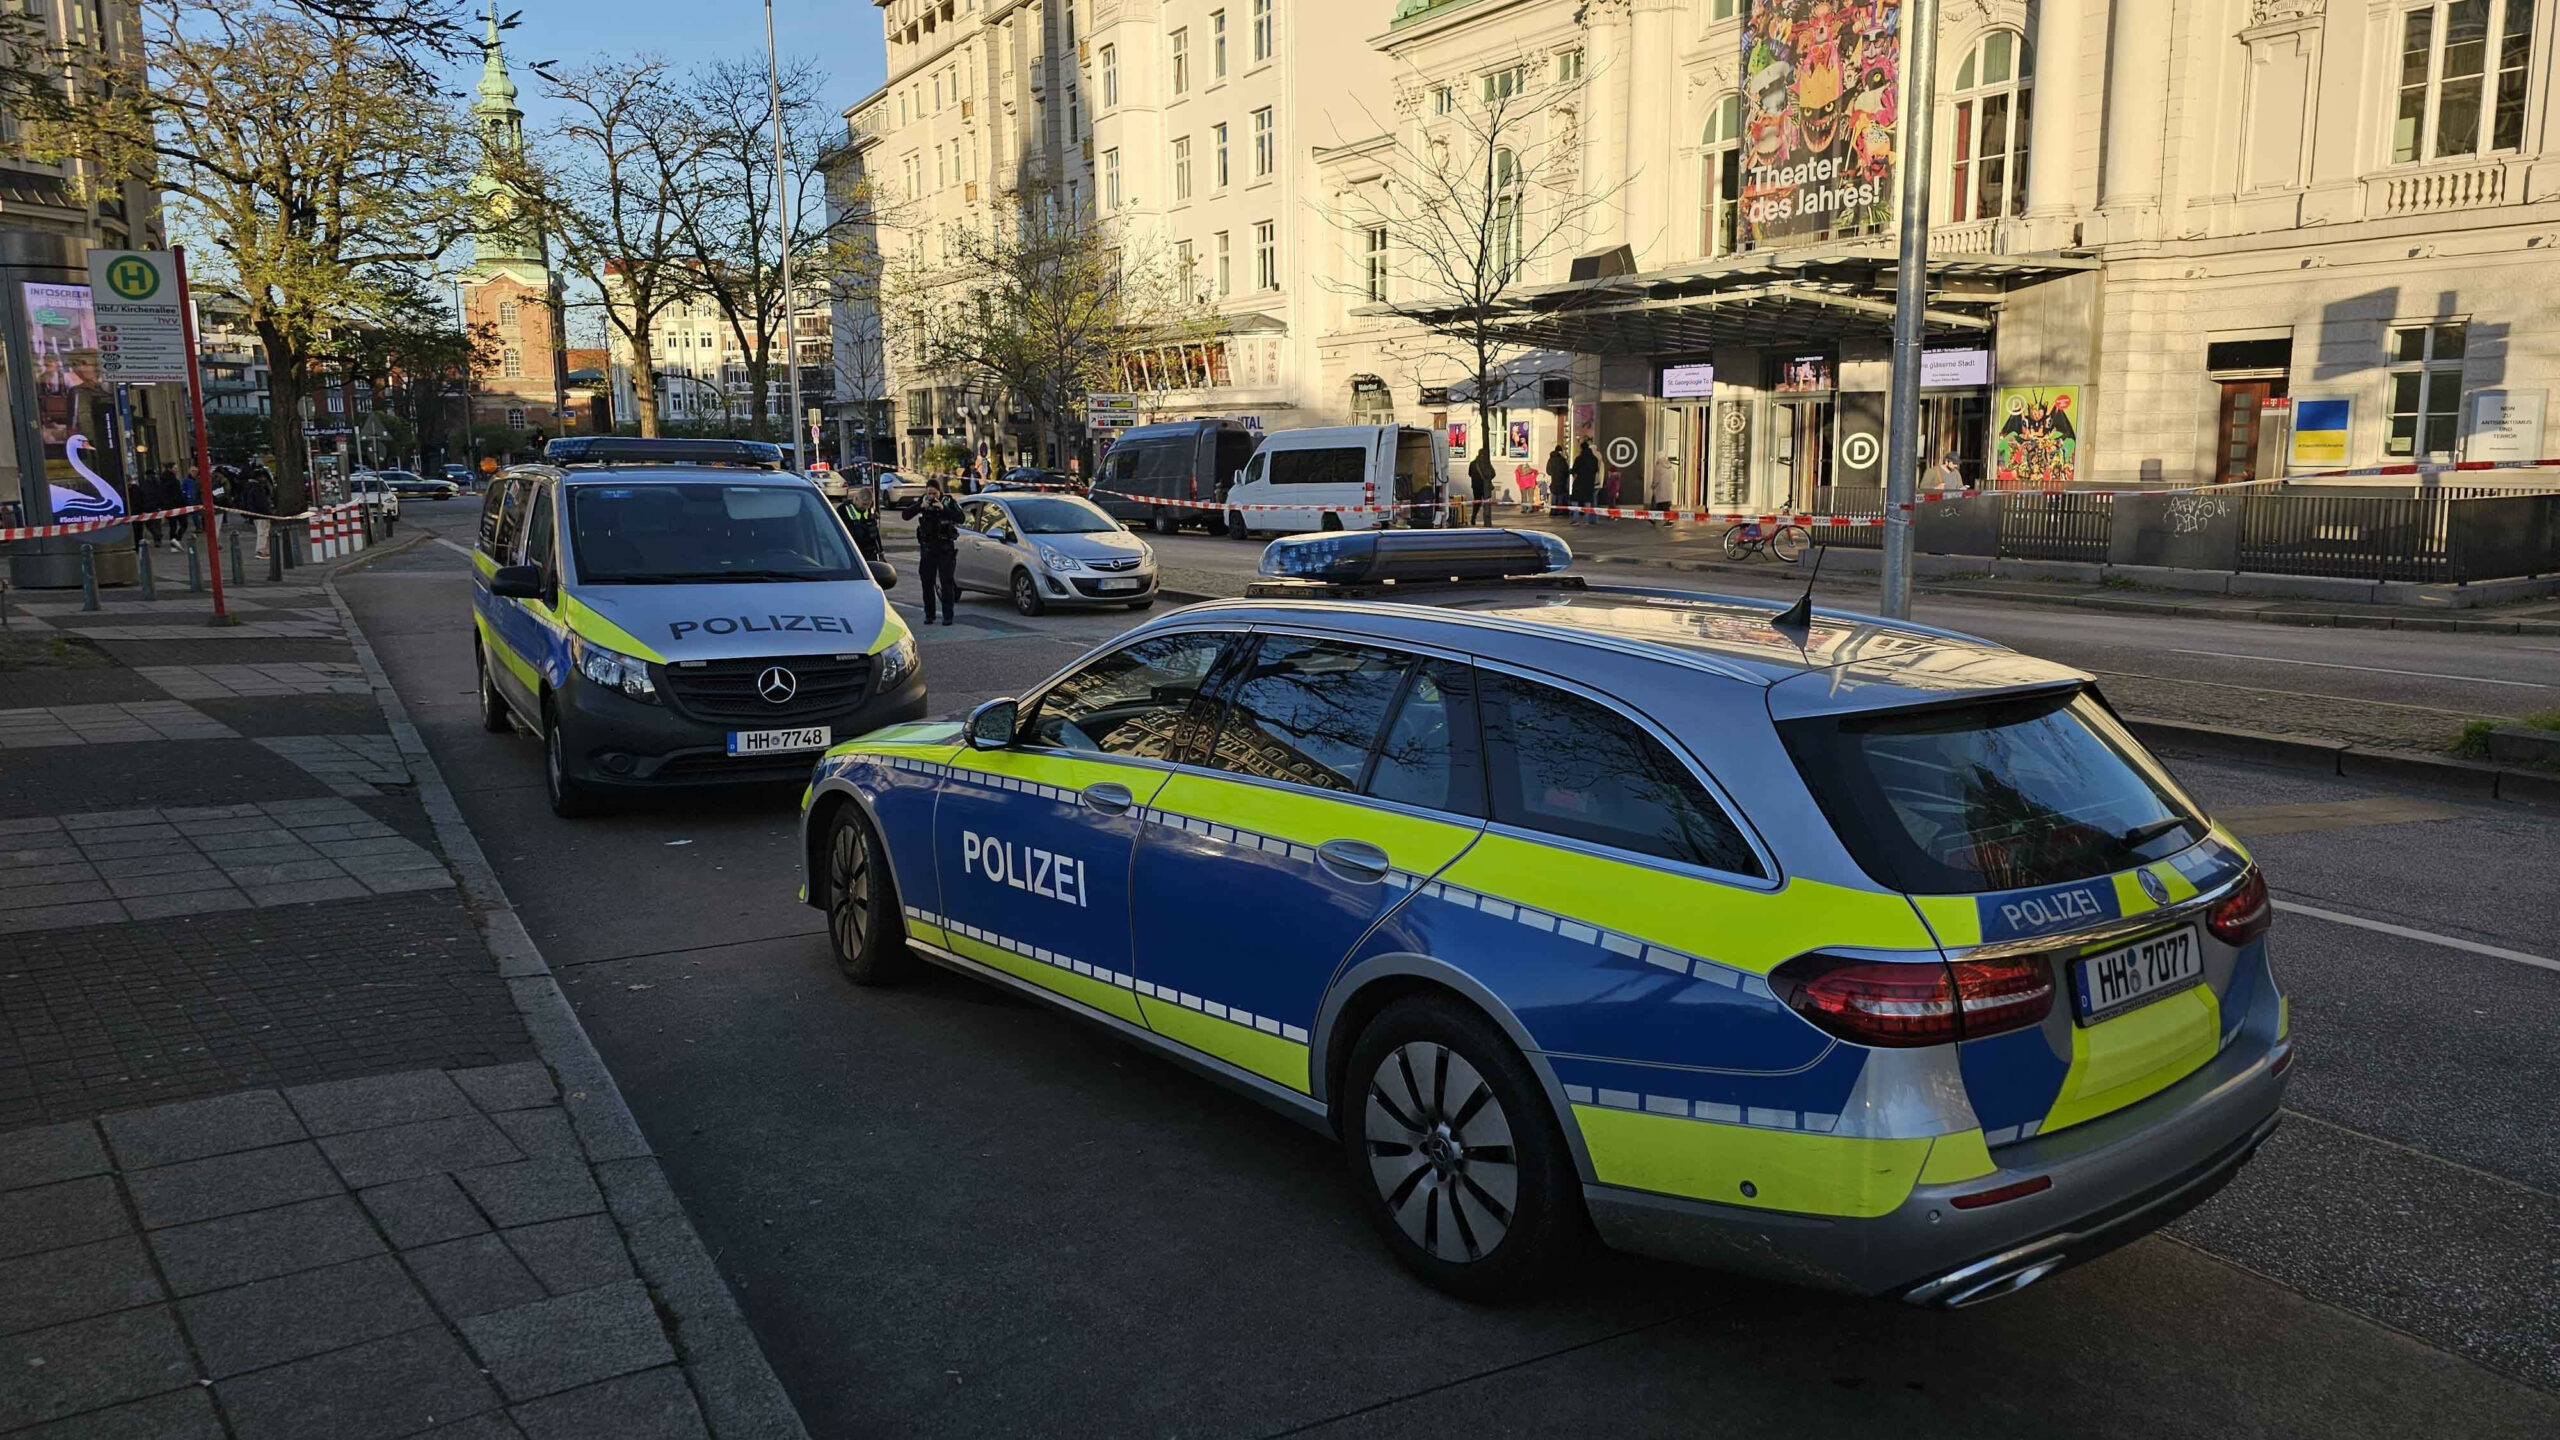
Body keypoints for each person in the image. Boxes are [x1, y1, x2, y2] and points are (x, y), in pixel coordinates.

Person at [913, 478, 963, 625]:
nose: (931, 497)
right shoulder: (923, 501)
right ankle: (930, 614)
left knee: (946, 581)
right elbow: (906, 515)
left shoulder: (947, 501)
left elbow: (960, 517)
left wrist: (943, 509)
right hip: (928, 548)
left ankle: (948, 616)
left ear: (940, 492)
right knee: (927, 581)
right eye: (929, 493)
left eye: (934, 493)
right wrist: (920, 507)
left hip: (945, 547)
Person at [237, 463, 276, 559]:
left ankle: (263, 550)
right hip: (261, 514)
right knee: (263, 532)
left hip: (254, 513)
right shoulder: (257, 488)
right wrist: (269, 513)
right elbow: (261, 503)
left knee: (262, 531)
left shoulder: (248, 487)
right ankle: (261, 551)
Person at [1569, 440, 1599, 526]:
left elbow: (1574, 470)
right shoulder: (1594, 459)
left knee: (1575, 502)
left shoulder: (1579, 459)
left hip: (1579, 483)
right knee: (1587, 502)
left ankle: (1575, 519)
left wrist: (1572, 472)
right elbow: (1596, 470)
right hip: (1589, 483)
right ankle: (1587, 520)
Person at [1466, 446, 1496, 528]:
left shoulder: (1472, 463)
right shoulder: (1486, 463)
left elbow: (1469, 474)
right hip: (1485, 486)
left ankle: (1473, 516)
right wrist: (1487, 479)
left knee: (1477, 502)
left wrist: (1475, 478)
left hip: (1476, 486)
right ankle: (1487, 520)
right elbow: (1493, 473)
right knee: (1486, 503)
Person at [1543, 441, 1569, 517]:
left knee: (1554, 496)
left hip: (1553, 480)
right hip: (1561, 481)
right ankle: (1560, 511)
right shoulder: (1562, 460)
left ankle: (1553, 511)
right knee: (1560, 496)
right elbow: (1566, 470)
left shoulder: (1551, 460)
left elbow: (1548, 471)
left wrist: (1553, 474)